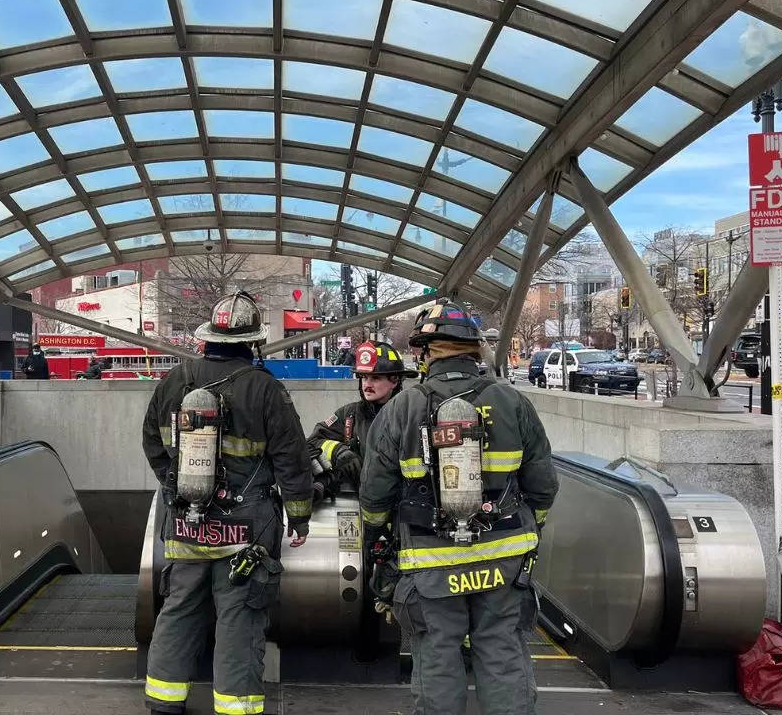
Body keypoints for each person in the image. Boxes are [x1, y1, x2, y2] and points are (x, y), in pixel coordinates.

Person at [359, 299, 557, 715]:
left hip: (430, 560)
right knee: (503, 654)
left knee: (437, 658)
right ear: (474, 350)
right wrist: (530, 528)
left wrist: (377, 535)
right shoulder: (512, 400)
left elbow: (375, 493)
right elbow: (542, 485)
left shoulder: (403, 408)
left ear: (425, 353)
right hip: (504, 559)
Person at [141, 290, 312, 715]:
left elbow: (152, 440)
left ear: (207, 337)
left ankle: (164, 701)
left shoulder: (174, 380)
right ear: (253, 342)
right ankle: (236, 708)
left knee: (179, 608)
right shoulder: (266, 389)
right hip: (247, 527)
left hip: (186, 521)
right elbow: (292, 459)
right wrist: (300, 517)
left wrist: (175, 484)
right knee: (239, 617)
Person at [307, 340, 414, 502]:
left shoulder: (408, 416)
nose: (367, 384)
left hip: (401, 505)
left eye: (375, 378)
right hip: (360, 502)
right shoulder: (349, 415)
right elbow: (314, 441)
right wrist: (338, 451)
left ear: (395, 380)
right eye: (363, 377)